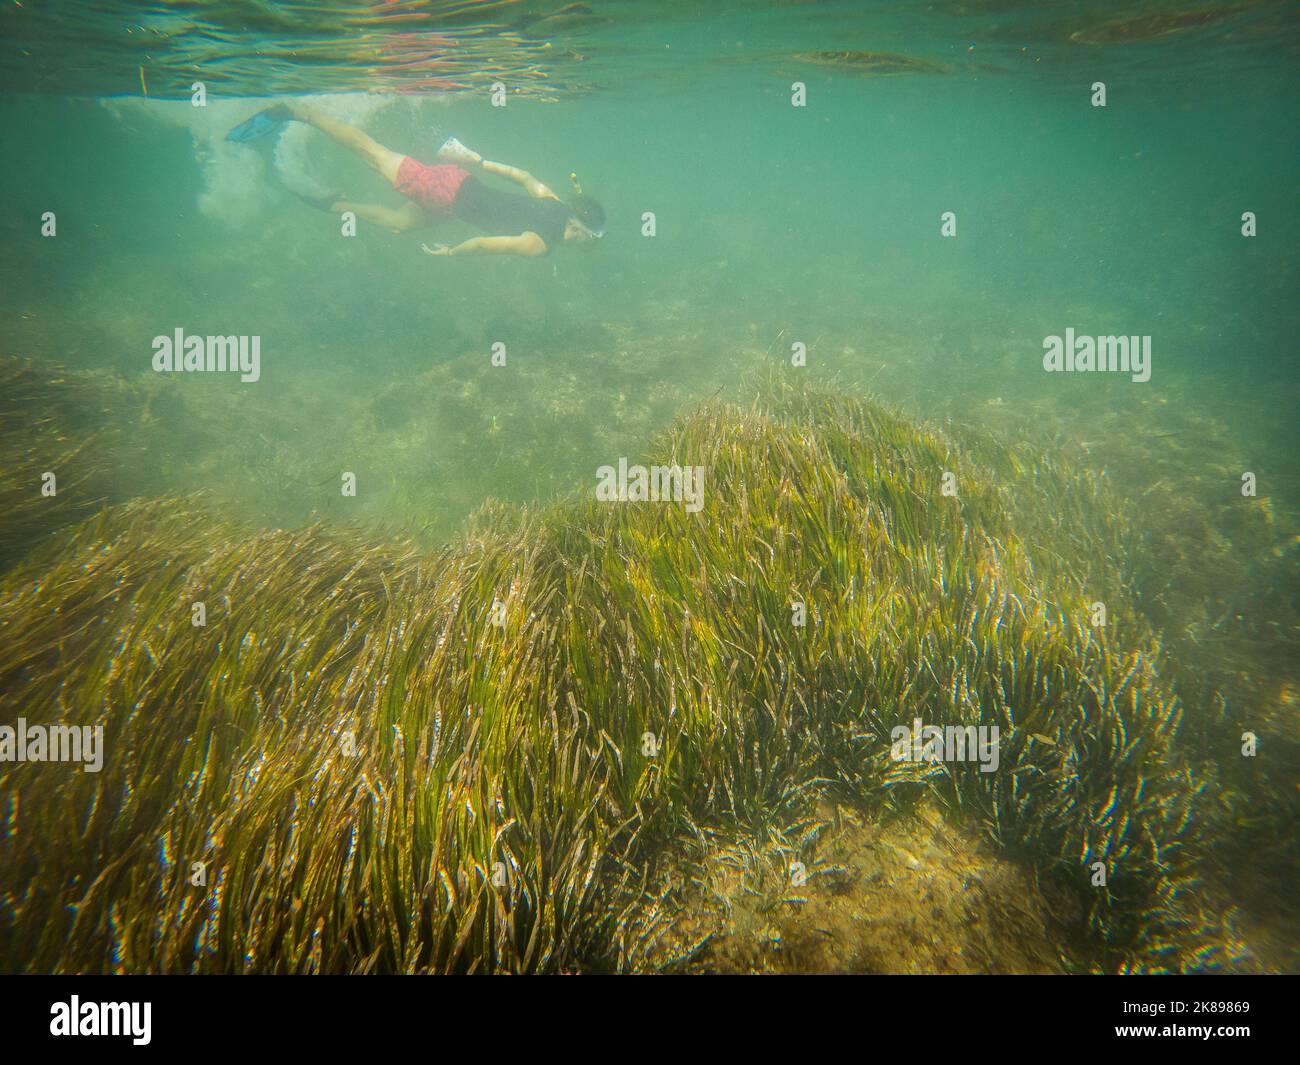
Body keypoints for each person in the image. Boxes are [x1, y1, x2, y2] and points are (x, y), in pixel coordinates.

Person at [227, 102, 605, 258]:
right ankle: (299, 112)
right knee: (371, 153)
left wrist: (478, 161)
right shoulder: (541, 244)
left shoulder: (554, 200)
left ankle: (332, 204)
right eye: (582, 234)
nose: (579, 240)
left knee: (397, 224)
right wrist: (453, 253)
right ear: (575, 221)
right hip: (443, 192)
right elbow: (486, 243)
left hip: (454, 196)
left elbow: (523, 176)